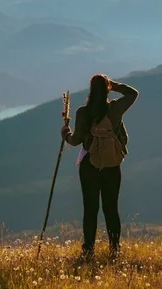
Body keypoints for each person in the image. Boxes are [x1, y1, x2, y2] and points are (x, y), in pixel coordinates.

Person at [60, 73, 138, 263]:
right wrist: (114, 85)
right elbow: (133, 93)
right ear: (107, 89)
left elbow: (76, 140)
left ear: (90, 90)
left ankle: (88, 251)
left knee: (90, 209)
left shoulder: (83, 112)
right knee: (111, 209)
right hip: (112, 166)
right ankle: (114, 250)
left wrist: (65, 134)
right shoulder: (115, 109)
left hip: (89, 166)